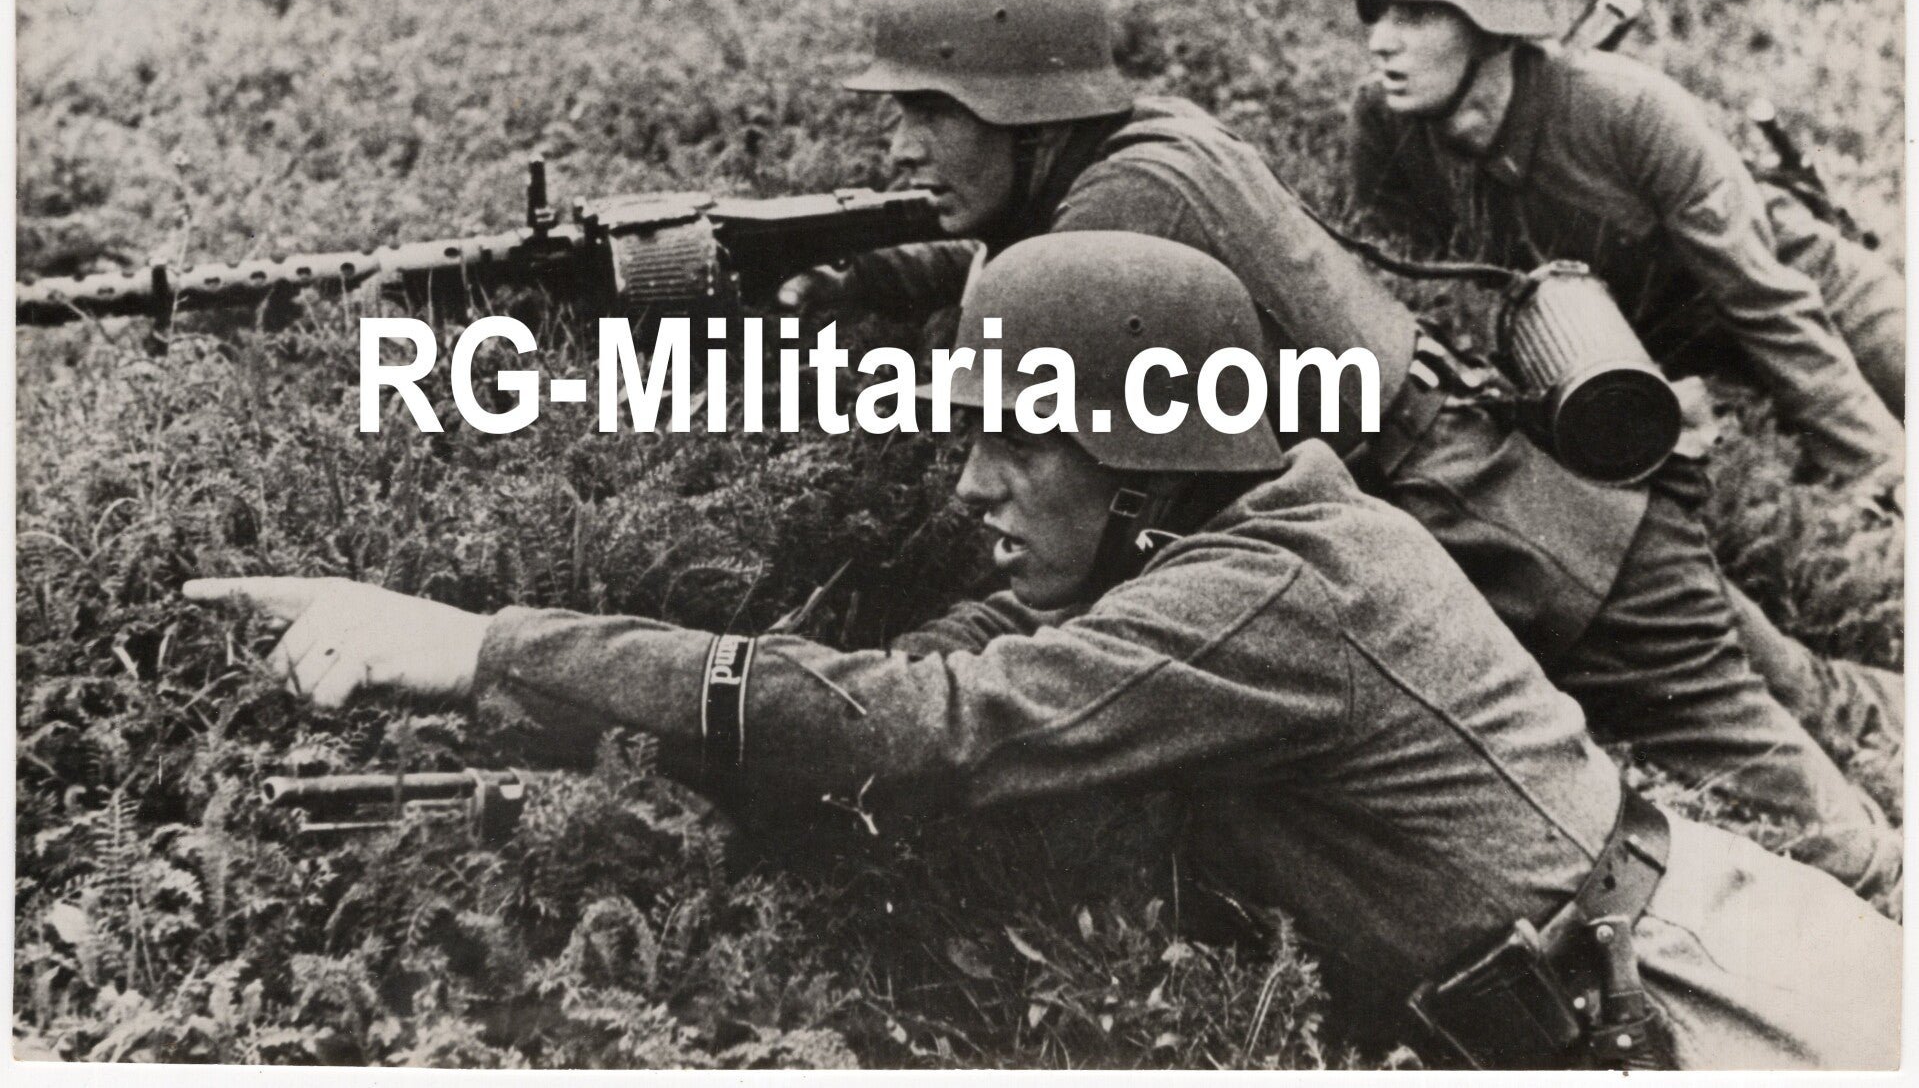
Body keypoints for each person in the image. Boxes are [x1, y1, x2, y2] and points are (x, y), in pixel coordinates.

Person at [185, 233, 1900, 1070]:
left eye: (1017, 439)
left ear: (1138, 457)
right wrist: (604, 702)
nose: (972, 482)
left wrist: (477, 641)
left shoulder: (1262, 596)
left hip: (1718, 1021)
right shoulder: (1231, 529)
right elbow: (968, 651)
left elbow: (923, 727)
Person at [779, 0, 1900, 898]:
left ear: (1030, 115)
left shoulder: (1121, 210)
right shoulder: (1148, 140)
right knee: (1825, 699)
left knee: (1831, 839)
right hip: (1524, 482)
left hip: (1531, 547)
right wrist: (866, 271)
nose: (901, 146)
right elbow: (1009, 244)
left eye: (932, 111)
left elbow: (1032, 374)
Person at [1344, 0, 1905, 490]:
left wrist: (1882, 470)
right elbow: (1414, 298)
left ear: (1493, 32)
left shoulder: (1629, 109)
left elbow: (1763, 299)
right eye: (1378, 13)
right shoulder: (1385, 124)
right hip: (1664, 358)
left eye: (1416, 16)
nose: (1381, 41)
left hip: (1804, 295)